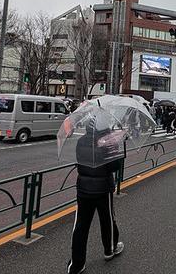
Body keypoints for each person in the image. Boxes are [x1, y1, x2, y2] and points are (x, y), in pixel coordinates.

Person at [67, 115, 125, 274]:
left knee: (80, 226)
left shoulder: (81, 141)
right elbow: (115, 166)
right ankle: (110, 249)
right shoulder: (108, 142)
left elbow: (80, 162)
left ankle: (77, 264)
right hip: (103, 188)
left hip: (83, 188)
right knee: (107, 219)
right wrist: (119, 148)